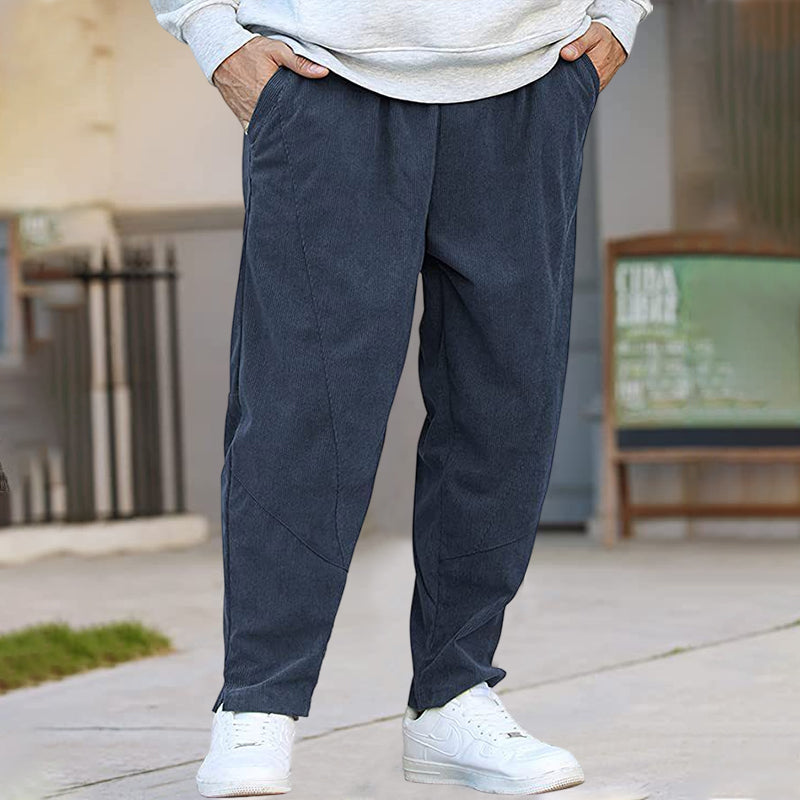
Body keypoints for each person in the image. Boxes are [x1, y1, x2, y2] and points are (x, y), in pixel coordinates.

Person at [150, 0, 651, 795]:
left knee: (504, 405)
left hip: (532, 79)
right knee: (301, 409)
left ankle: (454, 695)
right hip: (324, 81)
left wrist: (619, 17)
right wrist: (211, 31)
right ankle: (258, 701)